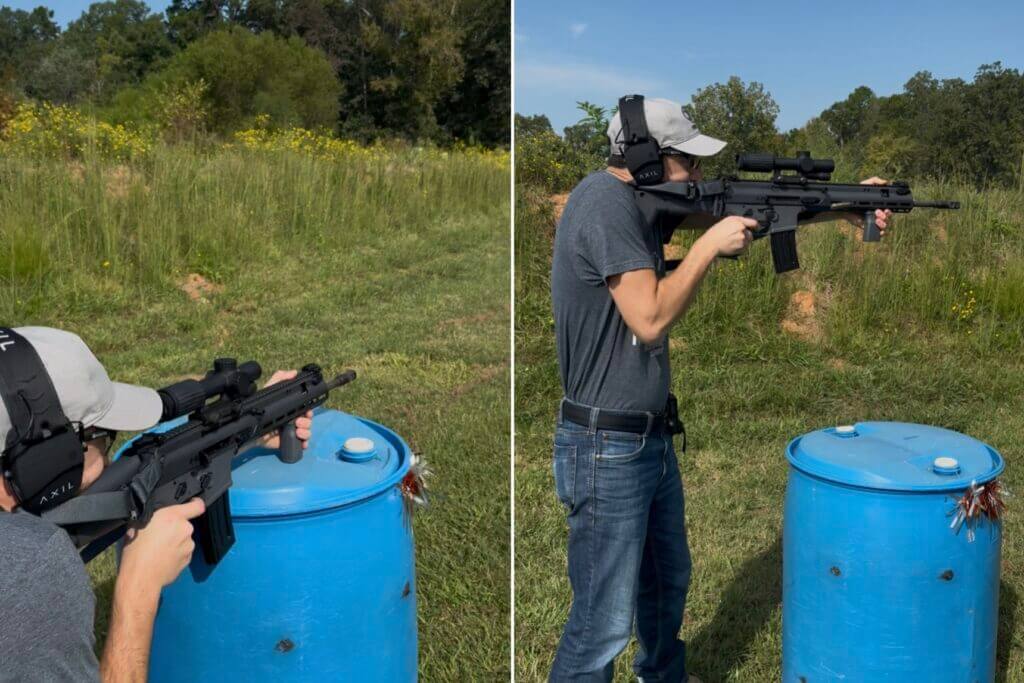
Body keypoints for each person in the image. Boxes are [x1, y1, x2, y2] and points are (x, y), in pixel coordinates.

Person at [548, 96, 892, 682]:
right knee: (600, 624)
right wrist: (707, 249)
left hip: (647, 438)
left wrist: (842, 203)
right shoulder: (604, 205)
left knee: (665, 585)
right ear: (649, 161)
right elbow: (650, 317)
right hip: (606, 446)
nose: (700, 176)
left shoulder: (637, 201)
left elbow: (752, 211)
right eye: (690, 163)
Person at [0, 326, 313, 682]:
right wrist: (138, 590)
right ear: (38, 463)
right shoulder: (31, 568)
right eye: (102, 434)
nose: (108, 455)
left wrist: (244, 431)